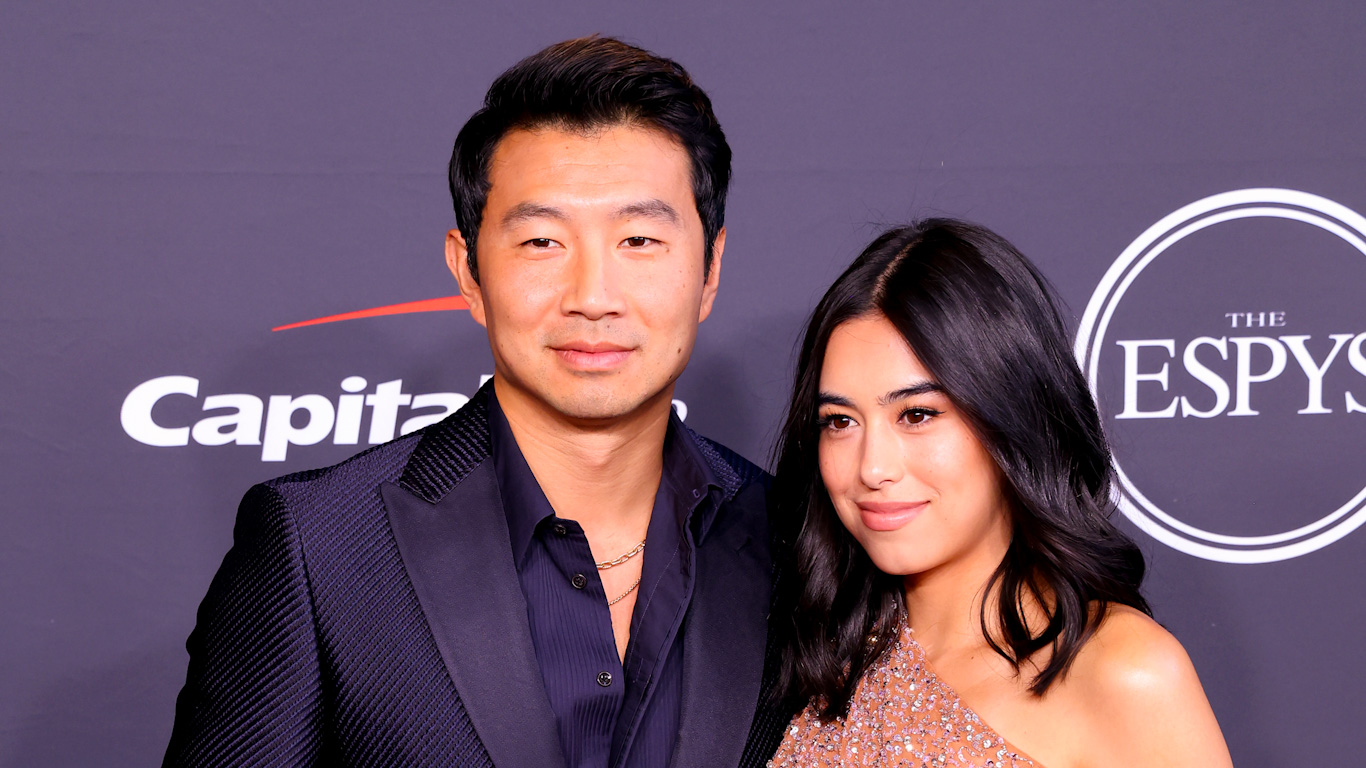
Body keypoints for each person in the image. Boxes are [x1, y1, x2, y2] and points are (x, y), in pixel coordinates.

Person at [163, 36, 790, 768]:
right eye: (542, 243)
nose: (592, 297)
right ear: (468, 272)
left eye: (640, 239)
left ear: (710, 268)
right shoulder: (319, 547)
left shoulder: (796, 544)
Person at [765, 220, 1232, 767]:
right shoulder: (811, 659)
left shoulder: (1123, 671)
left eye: (917, 415)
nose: (872, 467)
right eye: (840, 421)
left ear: (1010, 419)